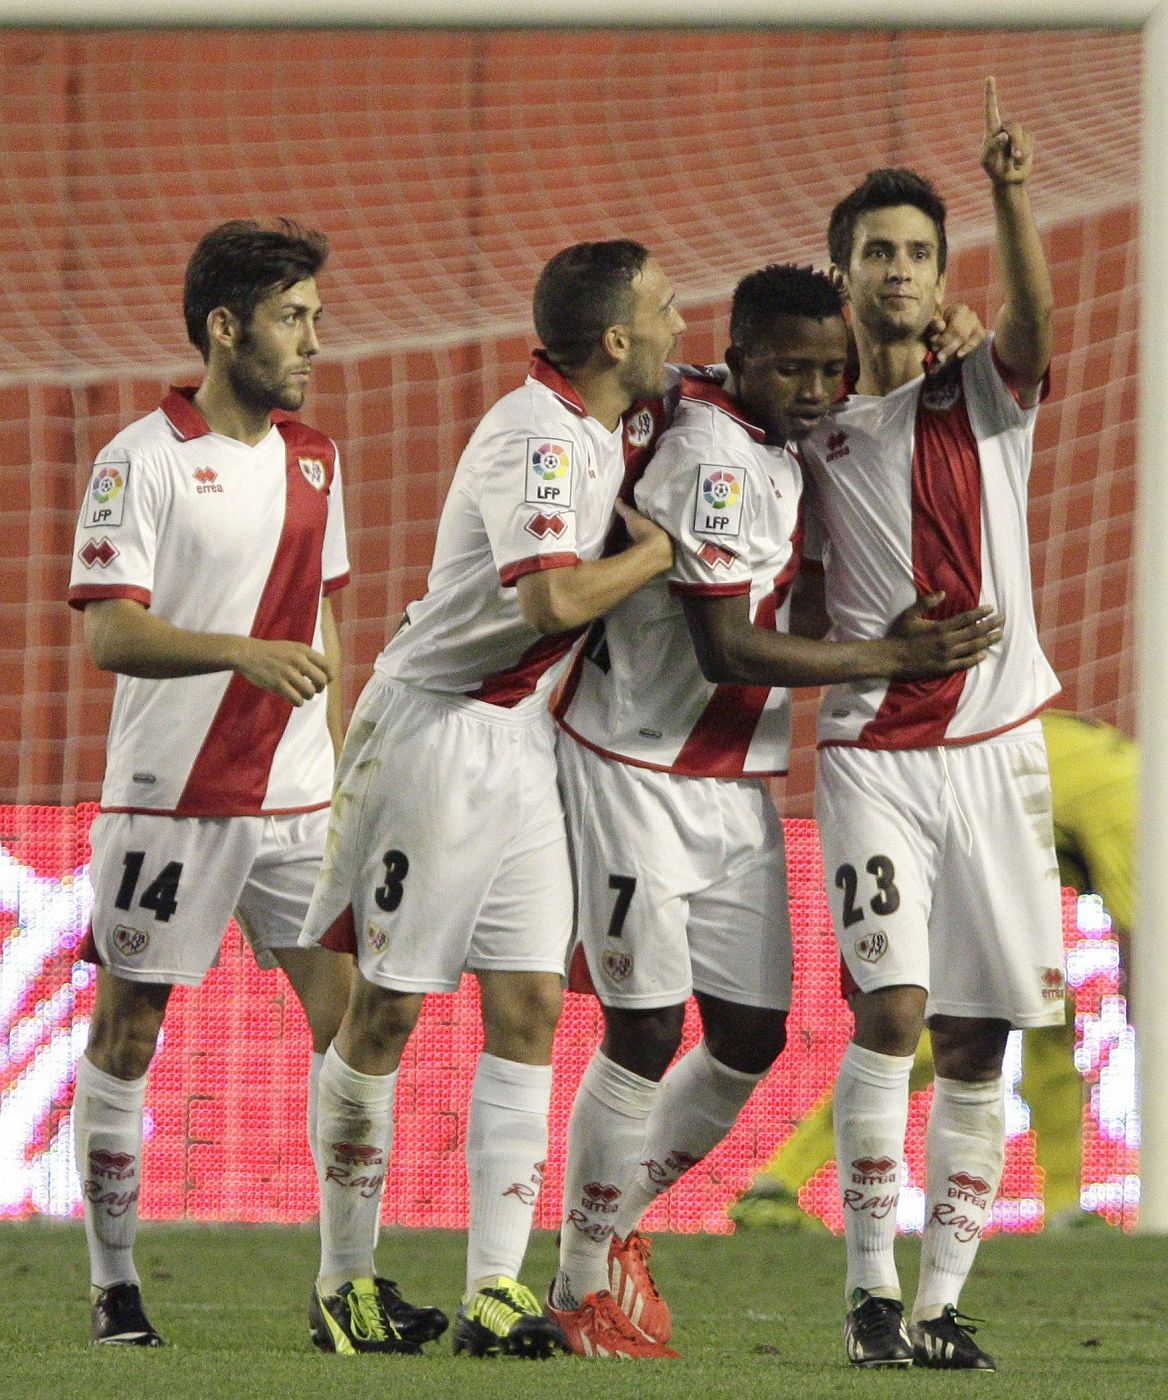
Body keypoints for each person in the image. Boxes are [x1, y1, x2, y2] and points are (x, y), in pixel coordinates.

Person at [546, 264, 1003, 1359]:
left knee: (750, 1035)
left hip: (730, 781)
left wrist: (937, 349)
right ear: (739, 354)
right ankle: (578, 1278)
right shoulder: (711, 454)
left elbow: (872, 412)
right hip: (632, 769)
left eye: (825, 368)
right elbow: (723, 645)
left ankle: (605, 1225)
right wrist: (883, 656)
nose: (810, 386)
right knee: (648, 1027)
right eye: (787, 366)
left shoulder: (778, 432)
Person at [296, 240, 685, 1358]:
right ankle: (344, 1283)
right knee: (388, 1010)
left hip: (520, 741)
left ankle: (494, 1289)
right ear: (614, 338)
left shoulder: (608, 419)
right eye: (661, 310)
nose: (676, 327)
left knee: (528, 1007)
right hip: (437, 732)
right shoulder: (535, 436)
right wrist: (650, 559)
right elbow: (551, 596)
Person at [799, 79, 1062, 1371]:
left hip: (1000, 750)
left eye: (915, 252)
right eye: (876, 253)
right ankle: (863, 1289)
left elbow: (1034, 318)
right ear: (843, 275)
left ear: (938, 271)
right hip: (872, 755)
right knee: (893, 1012)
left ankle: (938, 1303)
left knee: (980, 1035)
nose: (897, 271)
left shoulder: (985, 398)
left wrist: (1011, 195)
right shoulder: (806, 429)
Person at [67, 219, 357, 1348]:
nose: (314, 342)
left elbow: (328, 619)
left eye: (317, 319)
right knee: (131, 1030)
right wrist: (240, 651)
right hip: (169, 798)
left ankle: (349, 1283)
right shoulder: (136, 458)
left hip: (299, 803)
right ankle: (113, 1283)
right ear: (225, 327)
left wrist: (346, 757)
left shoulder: (319, 457)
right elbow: (111, 636)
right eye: (294, 318)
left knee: (356, 1027)